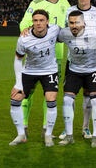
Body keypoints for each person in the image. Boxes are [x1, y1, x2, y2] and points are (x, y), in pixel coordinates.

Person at [19, 0, 70, 138]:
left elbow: (69, 25)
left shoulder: (65, 4)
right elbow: (24, 24)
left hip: (56, 56)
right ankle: (24, 127)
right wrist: (26, 31)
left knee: (50, 93)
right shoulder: (36, 3)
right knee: (27, 93)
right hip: (35, 57)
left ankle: (45, 129)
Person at [10, 9, 61, 147]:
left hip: (49, 70)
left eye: (41, 20)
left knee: (51, 99)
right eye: (35, 20)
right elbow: (17, 60)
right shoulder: (24, 39)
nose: (38, 23)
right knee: (15, 98)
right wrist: (18, 83)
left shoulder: (55, 30)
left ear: (47, 22)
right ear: (32, 22)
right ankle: (21, 134)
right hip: (30, 71)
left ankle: (48, 135)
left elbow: (69, 35)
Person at [60, 0, 96, 140]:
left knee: (88, 96)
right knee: (68, 96)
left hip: (92, 63)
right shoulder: (70, 11)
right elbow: (65, 32)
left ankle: (86, 127)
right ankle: (67, 129)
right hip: (73, 62)